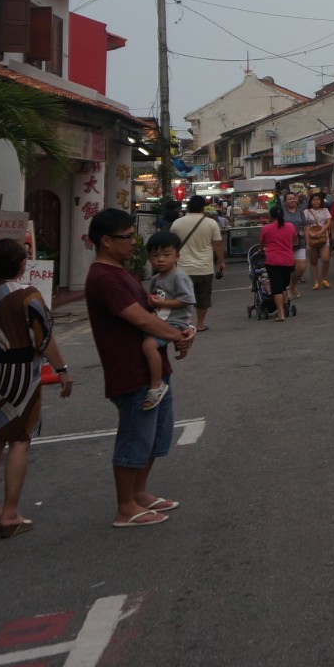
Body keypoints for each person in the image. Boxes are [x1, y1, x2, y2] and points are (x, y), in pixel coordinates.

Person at [83, 207, 193, 528]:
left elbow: (155, 310)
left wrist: (181, 333)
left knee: (156, 436)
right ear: (105, 241)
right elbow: (141, 318)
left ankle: (139, 492)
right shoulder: (104, 277)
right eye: (127, 237)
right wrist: (177, 336)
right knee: (135, 437)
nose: (134, 243)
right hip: (130, 369)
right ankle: (126, 506)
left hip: (152, 365)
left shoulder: (122, 271)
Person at [0, 237, 71, 539]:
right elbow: (43, 338)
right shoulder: (28, 295)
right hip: (21, 377)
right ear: (20, 264)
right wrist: (62, 369)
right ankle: (11, 514)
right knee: (20, 440)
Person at [139, 231, 195, 412]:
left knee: (148, 346)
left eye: (166, 255)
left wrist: (161, 303)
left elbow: (188, 299)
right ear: (149, 258)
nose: (160, 260)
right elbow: (155, 300)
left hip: (175, 322)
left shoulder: (179, 276)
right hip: (162, 320)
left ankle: (156, 385)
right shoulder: (155, 279)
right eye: (155, 256)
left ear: (177, 256)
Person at [168, 195, 224, 332]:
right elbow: (217, 244)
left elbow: (171, 244)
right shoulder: (211, 223)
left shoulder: (177, 223)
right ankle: (199, 324)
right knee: (203, 299)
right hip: (204, 267)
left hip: (182, 268)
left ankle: (185, 323)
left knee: (183, 297)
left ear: (188, 207)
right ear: (203, 207)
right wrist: (221, 262)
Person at [258, 200, 300, 322]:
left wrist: (262, 250)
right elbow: (295, 240)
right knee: (284, 286)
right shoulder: (290, 226)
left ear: (270, 216)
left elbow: (262, 243)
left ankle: (281, 313)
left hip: (273, 261)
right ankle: (285, 307)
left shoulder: (266, 228)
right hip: (288, 260)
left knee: (277, 288)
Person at [301, 190, 334, 290]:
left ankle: (324, 279)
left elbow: (328, 222)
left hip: (324, 237)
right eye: (314, 200)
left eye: (317, 200)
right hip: (311, 238)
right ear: (310, 201)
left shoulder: (325, 210)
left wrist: (321, 231)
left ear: (321, 201)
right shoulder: (306, 212)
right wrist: (310, 234)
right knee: (313, 261)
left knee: (325, 259)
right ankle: (315, 281)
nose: (316, 202)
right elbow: (305, 225)